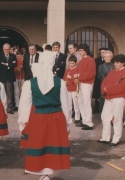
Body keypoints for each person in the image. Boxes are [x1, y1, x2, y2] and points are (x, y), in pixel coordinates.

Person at [18, 50, 71, 180]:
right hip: (56, 117)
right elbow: (66, 106)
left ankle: (44, 175)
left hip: (38, 117)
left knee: (40, 143)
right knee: (51, 144)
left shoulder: (29, 83)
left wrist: (22, 123)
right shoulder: (60, 83)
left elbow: (24, 105)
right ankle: (46, 174)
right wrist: (68, 124)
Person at [97, 54, 125, 147]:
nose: (115, 64)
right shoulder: (112, 72)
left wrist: (107, 89)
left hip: (119, 98)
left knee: (117, 119)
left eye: (118, 63)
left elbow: (121, 88)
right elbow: (104, 82)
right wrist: (105, 90)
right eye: (115, 62)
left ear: (123, 63)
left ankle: (116, 139)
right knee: (105, 117)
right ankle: (105, 137)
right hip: (108, 98)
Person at [74, 43, 96, 130]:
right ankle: (84, 121)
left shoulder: (90, 60)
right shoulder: (81, 60)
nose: (79, 52)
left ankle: (89, 123)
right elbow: (80, 72)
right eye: (79, 50)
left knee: (86, 103)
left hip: (87, 83)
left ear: (85, 51)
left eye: (81, 50)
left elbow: (91, 74)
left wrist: (79, 76)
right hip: (80, 83)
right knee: (81, 103)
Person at [0, 43, 17, 114]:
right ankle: (1, 108)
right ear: (3, 49)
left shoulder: (13, 56)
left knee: (9, 93)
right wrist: (9, 66)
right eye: (5, 49)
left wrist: (5, 64)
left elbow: (15, 64)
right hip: (1, 77)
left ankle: (9, 108)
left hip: (9, 77)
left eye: (8, 49)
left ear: (10, 49)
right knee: (1, 93)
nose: (6, 50)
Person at [63, 55, 81, 124]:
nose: (71, 64)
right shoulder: (67, 70)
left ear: (75, 63)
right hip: (68, 89)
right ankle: (69, 117)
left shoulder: (78, 69)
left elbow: (78, 79)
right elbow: (64, 78)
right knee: (69, 104)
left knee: (76, 104)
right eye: (70, 63)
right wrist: (66, 79)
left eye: (72, 63)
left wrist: (72, 78)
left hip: (74, 89)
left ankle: (77, 118)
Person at [93, 47, 108, 113]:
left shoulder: (108, 60)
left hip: (106, 80)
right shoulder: (97, 60)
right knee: (98, 93)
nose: (102, 53)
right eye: (101, 52)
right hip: (98, 80)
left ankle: (104, 108)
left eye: (104, 52)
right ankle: (96, 108)